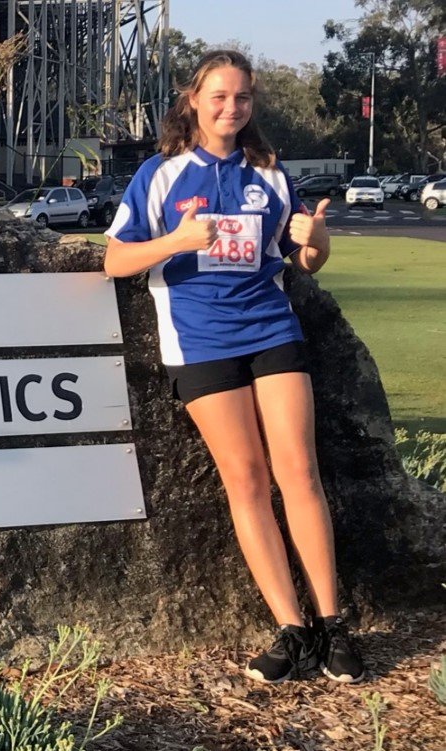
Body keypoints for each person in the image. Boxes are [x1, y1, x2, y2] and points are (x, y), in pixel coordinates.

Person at [103, 49, 363, 685]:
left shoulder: (269, 173)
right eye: (219, 96)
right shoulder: (161, 175)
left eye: (242, 97)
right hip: (199, 342)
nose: (231, 107)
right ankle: (291, 629)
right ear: (194, 99)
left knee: (300, 471)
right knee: (246, 481)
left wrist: (318, 245)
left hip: (272, 330)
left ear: (252, 105)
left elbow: (301, 262)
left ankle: (333, 625)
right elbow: (114, 260)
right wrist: (176, 243)